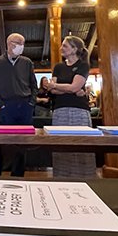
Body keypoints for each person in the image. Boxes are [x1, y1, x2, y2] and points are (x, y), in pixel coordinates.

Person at [44, 35, 96, 178]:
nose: (61, 48)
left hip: (79, 111)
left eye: (65, 46)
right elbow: (53, 91)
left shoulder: (83, 65)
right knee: (60, 145)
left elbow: (73, 87)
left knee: (81, 145)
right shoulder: (58, 67)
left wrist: (57, 86)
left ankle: (85, 178)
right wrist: (69, 88)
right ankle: (61, 178)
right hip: (59, 110)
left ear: (74, 49)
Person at [0, 33, 37, 175]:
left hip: (25, 105)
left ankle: (18, 174)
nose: (21, 46)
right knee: (4, 142)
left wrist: (31, 102)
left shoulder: (27, 62)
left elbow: (33, 85)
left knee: (23, 143)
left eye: (23, 43)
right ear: (9, 44)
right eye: (18, 43)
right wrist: (1, 104)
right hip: (6, 106)